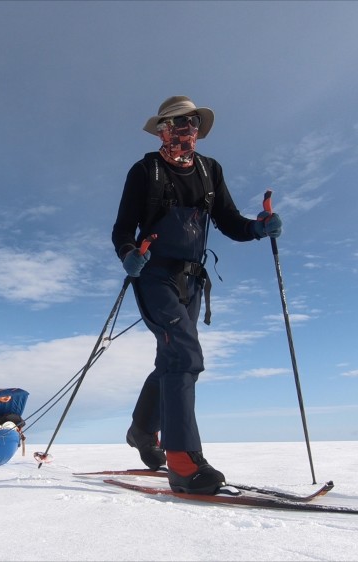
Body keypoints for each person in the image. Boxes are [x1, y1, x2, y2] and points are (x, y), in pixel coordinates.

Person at [111, 95, 283, 495]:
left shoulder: (210, 170)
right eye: (176, 123)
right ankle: (184, 461)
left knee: (173, 358)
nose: (185, 130)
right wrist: (127, 255)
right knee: (185, 355)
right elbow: (122, 230)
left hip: (191, 279)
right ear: (161, 130)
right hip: (153, 274)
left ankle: (141, 430)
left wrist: (258, 228)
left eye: (191, 123)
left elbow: (228, 222)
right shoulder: (145, 171)